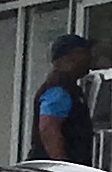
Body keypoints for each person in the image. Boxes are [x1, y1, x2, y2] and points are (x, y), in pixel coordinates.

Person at [32, 34, 98, 163]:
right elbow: (48, 128)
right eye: (85, 53)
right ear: (71, 57)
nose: (90, 57)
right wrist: (62, 165)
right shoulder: (59, 88)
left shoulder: (68, 87)